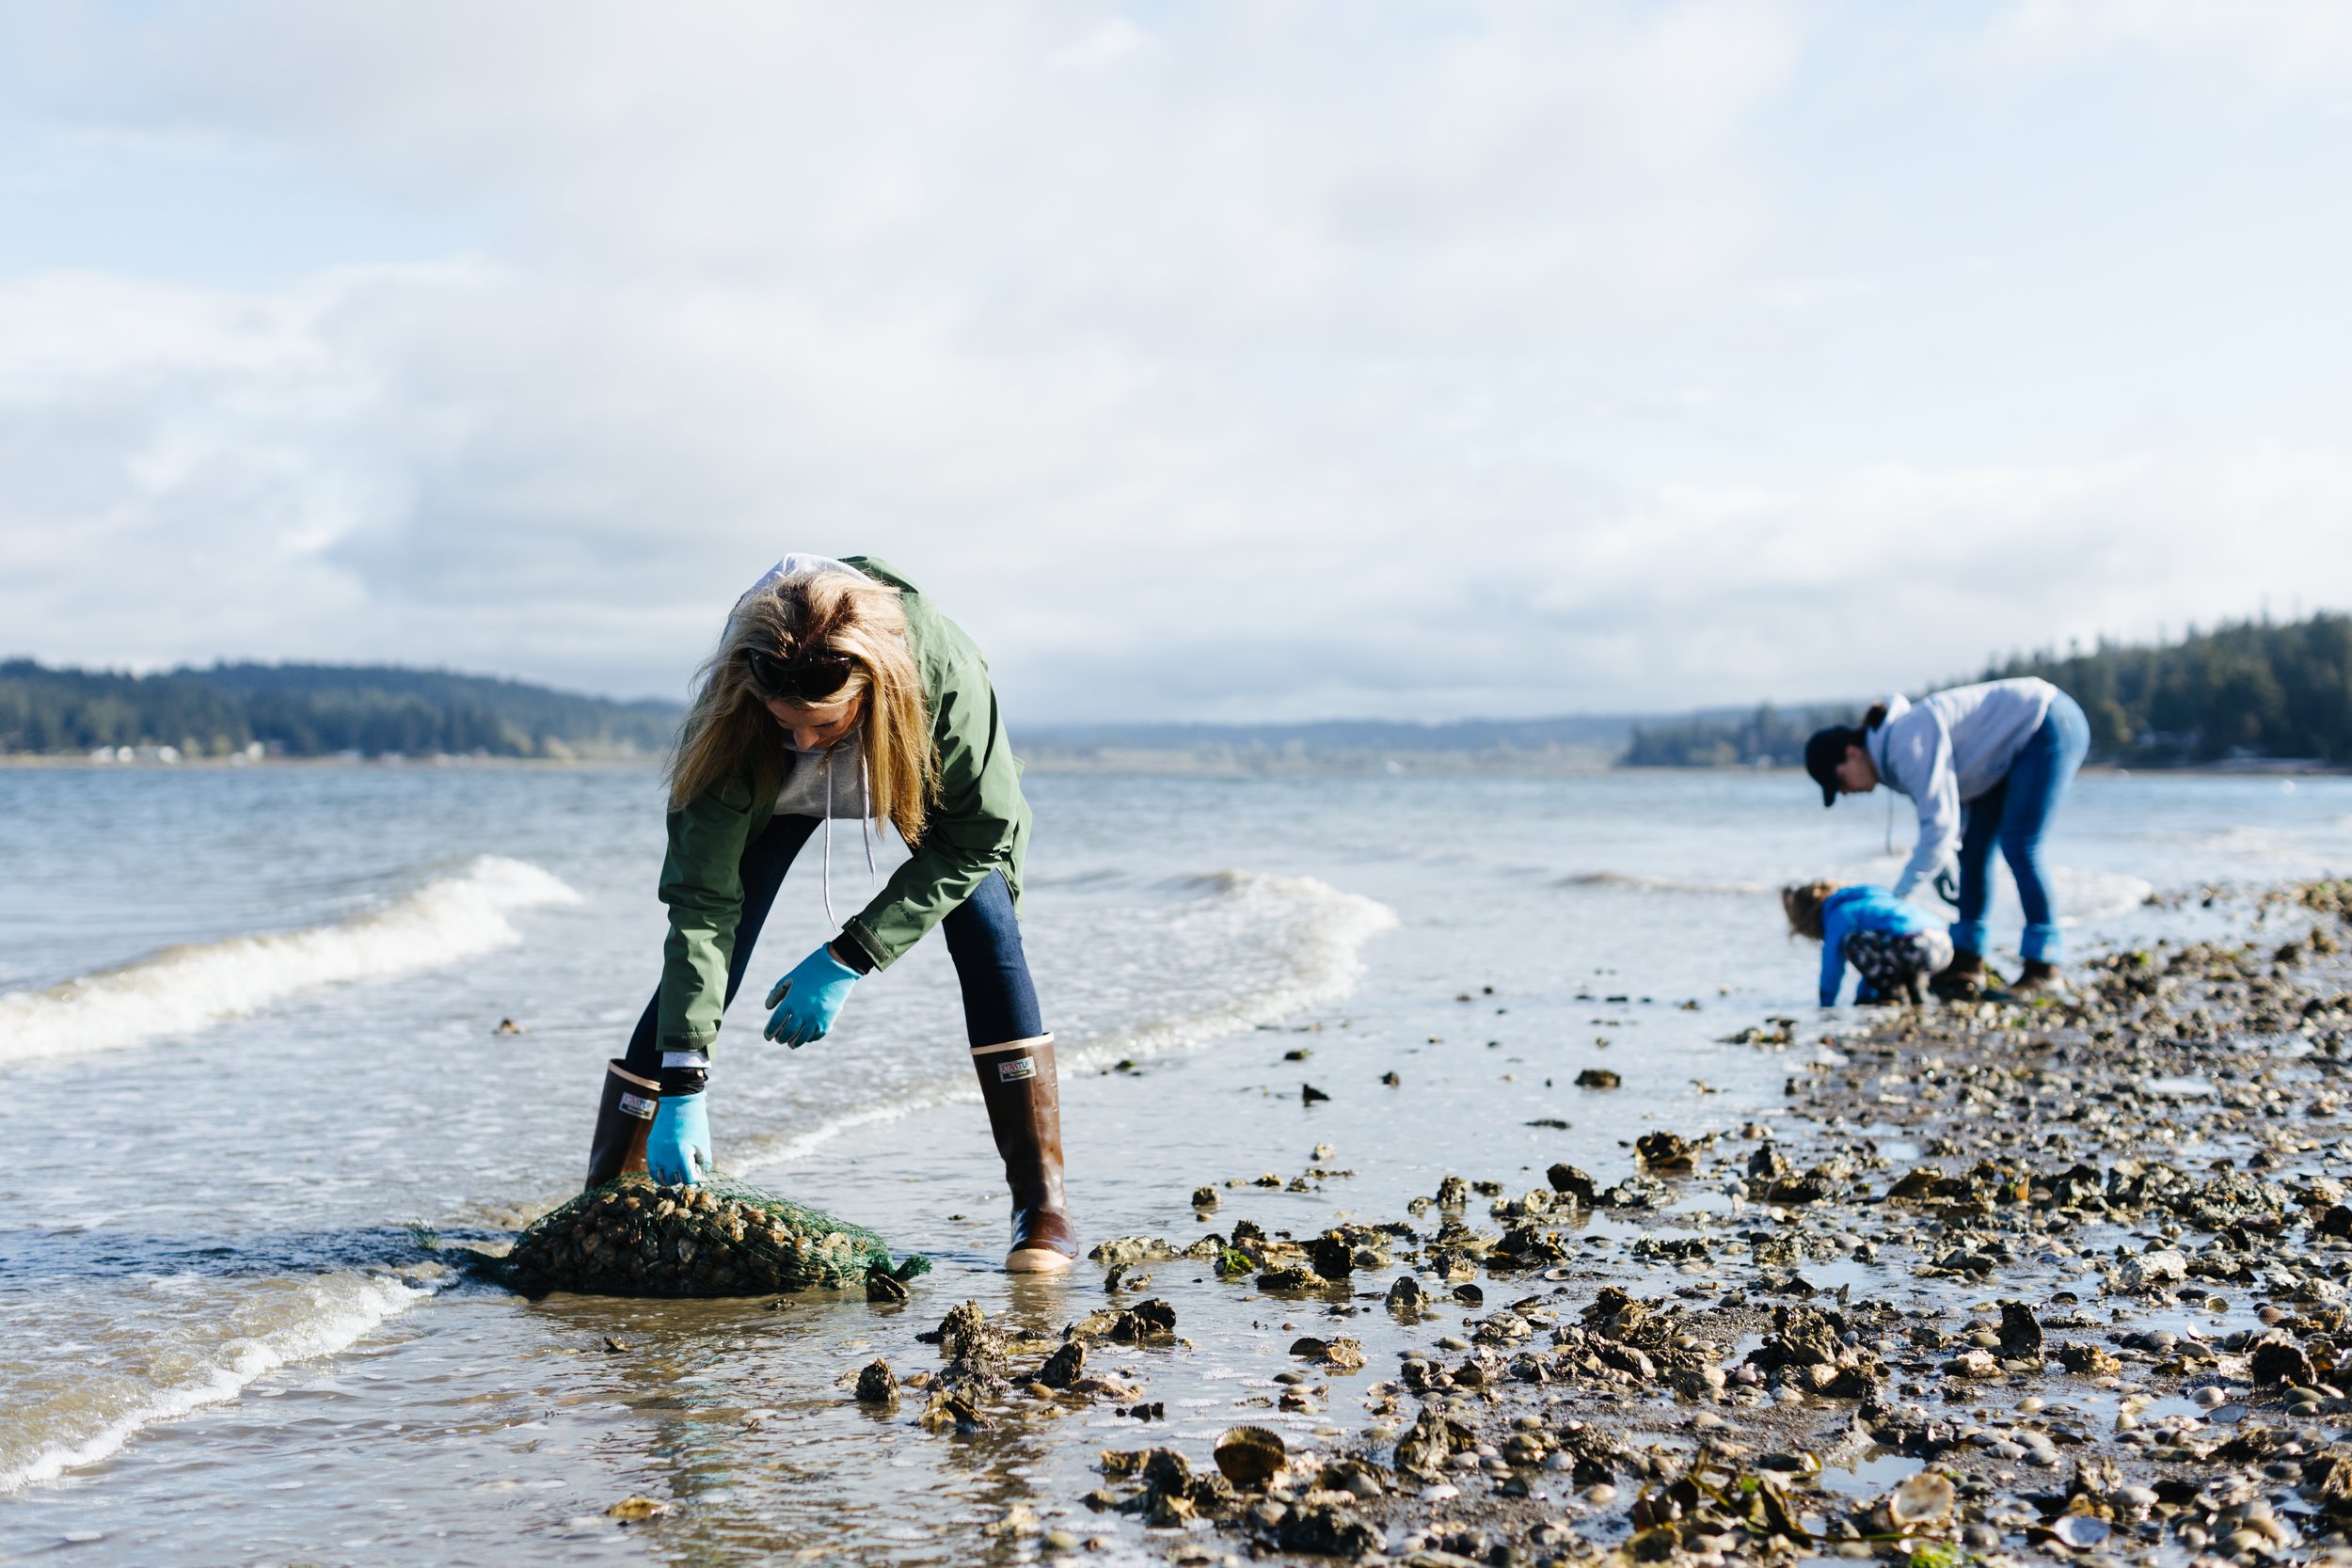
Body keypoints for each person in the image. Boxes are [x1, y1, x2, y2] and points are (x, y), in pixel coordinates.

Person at [581, 553, 1075, 1275]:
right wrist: (684, 1081)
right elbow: (701, 904)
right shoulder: (737, 711)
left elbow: (979, 837)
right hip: (764, 774)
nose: (807, 746)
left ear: (873, 687)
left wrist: (851, 952)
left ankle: (1042, 1206)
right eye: (791, 728)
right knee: (727, 937)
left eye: (822, 726)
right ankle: (607, 1195)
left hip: (905, 760)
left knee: (988, 930)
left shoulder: (945, 681)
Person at [1803, 676, 2089, 997]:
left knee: (2020, 845)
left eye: (1839, 781)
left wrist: (1895, 900)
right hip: (2010, 747)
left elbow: (1938, 826)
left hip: (2047, 721)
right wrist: (1944, 863)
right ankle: (1966, 960)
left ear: (1852, 753)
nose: (1844, 791)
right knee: (1974, 852)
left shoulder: (1904, 742)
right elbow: (1951, 820)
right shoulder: (1894, 754)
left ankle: (2043, 967)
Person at [1783, 879, 1954, 1006]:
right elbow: (1877, 957)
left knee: (1852, 942)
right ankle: (1913, 987)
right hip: (1945, 946)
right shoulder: (1873, 899)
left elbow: (1832, 966)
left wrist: (1826, 1006)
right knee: (1878, 943)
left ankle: (1892, 992)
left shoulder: (1840, 913)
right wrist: (1864, 994)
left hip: (1916, 946)